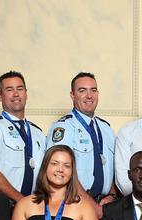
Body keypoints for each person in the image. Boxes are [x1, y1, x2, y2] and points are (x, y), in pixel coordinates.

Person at [46, 72, 116, 209]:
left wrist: (112, 196)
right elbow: (59, 173)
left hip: (106, 205)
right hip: (74, 204)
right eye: (82, 90)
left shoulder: (106, 128)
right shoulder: (63, 128)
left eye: (93, 90)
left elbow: (113, 169)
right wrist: (90, 205)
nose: (89, 96)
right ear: (72, 95)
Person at [0, 71, 46, 202]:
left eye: (20, 89)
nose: (16, 94)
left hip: (34, 208)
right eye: (9, 89)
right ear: (0, 95)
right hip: (2, 207)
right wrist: (21, 201)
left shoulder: (38, 133)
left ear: (26, 93)